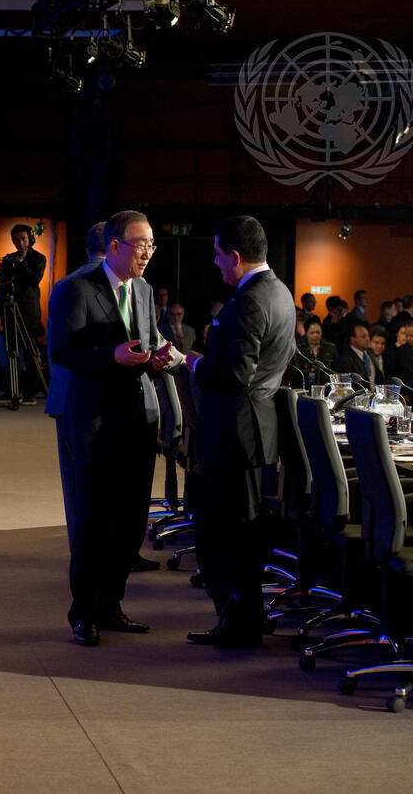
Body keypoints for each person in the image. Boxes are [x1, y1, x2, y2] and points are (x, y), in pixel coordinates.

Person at [169, 215, 295, 648]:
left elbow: (235, 375)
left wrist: (193, 362)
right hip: (256, 428)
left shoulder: (249, 301)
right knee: (243, 530)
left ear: (236, 256)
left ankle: (239, 623)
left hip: (235, 431)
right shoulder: (280, 292)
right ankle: (247, 618)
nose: (216, 263)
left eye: (218, 255)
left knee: (225, 532)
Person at [47, 210, 170, 647]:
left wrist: (155, 359)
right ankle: (84, 612)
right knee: (94, 520)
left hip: (137, 418)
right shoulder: (76, 288)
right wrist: (110, 357)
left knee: (130, 519)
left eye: (151, 245)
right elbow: (63, 351)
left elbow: (146, 343)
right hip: (95, 421)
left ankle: (111, 604)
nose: (147, 253)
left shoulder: (144, 289)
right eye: (141, 245)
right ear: (115, 246)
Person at [0, 223, 48, 402]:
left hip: (28, 311)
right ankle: (12, 390)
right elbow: (2, 284)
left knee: (30, 351)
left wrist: (21, 262)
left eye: (23, 239)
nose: (20, 243)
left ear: (30, 239)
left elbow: (34, 279)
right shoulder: (9, 259)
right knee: (11, 351)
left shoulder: (38, 258)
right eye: (16, 240)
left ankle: (30, 392)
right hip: (9, 309)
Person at [294, 317, 337, 385]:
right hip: (306, 386)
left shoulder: (330, 348)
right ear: (306, 333)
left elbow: (336, 370)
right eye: (312, 333)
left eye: (318, 332)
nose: (315, 335)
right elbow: (296, 374)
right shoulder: (300, 350)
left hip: (327, 386)